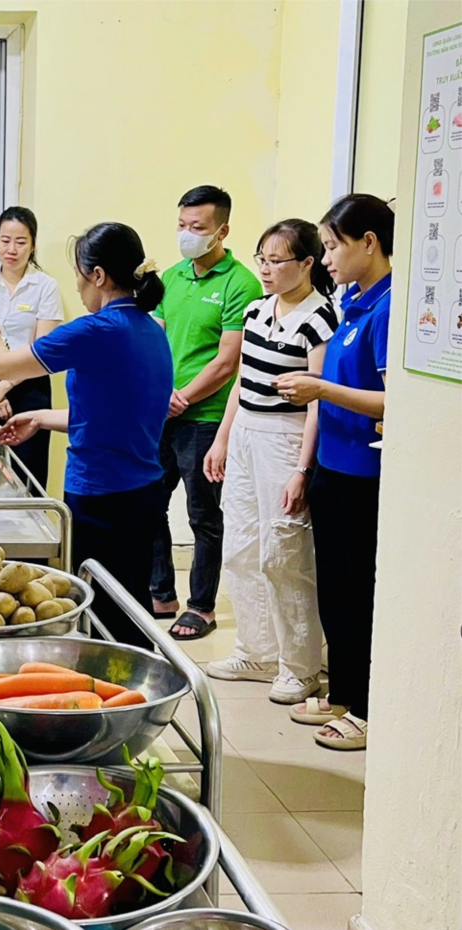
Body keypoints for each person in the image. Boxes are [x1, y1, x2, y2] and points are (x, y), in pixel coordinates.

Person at [0, 223, 172, 647]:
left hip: (101, 495)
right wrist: (42, 417)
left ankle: (113, 680)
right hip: (143, 491)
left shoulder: (96, 330)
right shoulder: (150, 328)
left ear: (98, 276)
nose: (76, 285)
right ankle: (135, 675)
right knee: (130, 605)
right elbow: (115, 412)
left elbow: (1, 366)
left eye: (79, 273)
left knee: (101, 610)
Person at [273, 194, 394, 751]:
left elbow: (392, 400)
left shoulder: (389, 309)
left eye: (331, 246)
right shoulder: (354, 303)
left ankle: (367, 707)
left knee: (359, 593)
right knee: (336, 594)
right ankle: (342, 690)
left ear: (369, 243)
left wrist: (319, 387)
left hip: (365, 476)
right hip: (333, 468)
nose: (325, 259)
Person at [202, 220, 338, 704]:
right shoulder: (257, 310)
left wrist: (303, 468)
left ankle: (300, 667)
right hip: (246, 431)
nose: (265, 268)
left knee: (284, 554)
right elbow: (242, 380)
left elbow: (318, 399)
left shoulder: (321, 317)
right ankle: (256, 651)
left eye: (277, 260)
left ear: (307, 263)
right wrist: (221, 439)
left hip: (287, 438)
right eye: (261, 258)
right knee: (240, 546)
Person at [151, 186, 263, 640]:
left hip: (206, 418)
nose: (187, 234)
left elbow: (227, 360)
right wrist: (161, 393)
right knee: (149, 503)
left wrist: (182, 397)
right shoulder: (170, 277)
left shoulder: (241, 284)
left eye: (197, 227)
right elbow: (154, 339)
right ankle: (160, 594)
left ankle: (202, 606)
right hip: (161, 413)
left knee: (203, 516)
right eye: (182, 225)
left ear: (222, 231)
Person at [0, 207, 64, 489]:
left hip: (30, 388)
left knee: (28, 475)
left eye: (21, 242)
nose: (12, 249)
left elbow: (42, 349)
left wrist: (4, 386)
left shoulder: (45, 286)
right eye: (5, 240)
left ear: (32, 245)